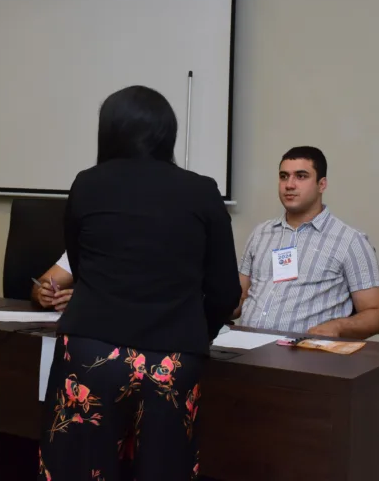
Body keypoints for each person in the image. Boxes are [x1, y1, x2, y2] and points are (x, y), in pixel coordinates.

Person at [38, 86, 241, 481]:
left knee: (78, 470)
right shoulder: (201, 191)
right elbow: (225, 292)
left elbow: (80, 268)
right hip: (173, 359)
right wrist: (196, 333)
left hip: (89, 354)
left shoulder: (87, 184)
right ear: (168, 133)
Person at [234, 146, 379, 339]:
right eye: (284, 176)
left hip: (306, 357)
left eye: (301, 176)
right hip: (246, 351)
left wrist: (337, 326)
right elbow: (239, 297)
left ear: (321, 184)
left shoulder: (350, 241)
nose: (289, 185)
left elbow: (377, 315)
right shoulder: (260, 234)